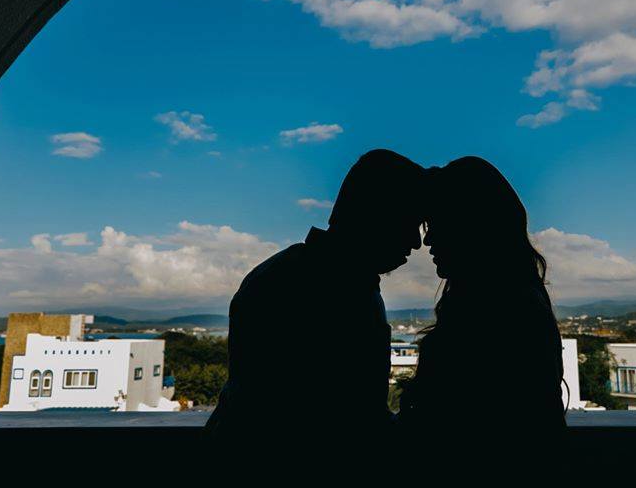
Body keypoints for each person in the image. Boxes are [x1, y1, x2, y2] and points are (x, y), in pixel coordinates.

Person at [206, 149, 425, 444]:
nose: (416, 243)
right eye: (410, 222)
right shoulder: (340, 293)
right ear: (375, 215)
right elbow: (351, 417)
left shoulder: (281, 274)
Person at [399, 156, 565, 435]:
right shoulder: (518, 305)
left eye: (436, 225)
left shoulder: (503, 315)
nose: (426, 241)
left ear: (470, 227)